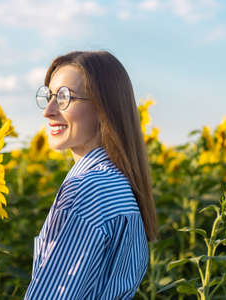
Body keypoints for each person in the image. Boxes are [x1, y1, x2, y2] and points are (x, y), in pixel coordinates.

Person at [24, 50, 158, 299]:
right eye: (50, 96)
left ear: (102, 107)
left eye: (64, 97)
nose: (49, 111)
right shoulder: (120, 185)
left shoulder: (86, 188)